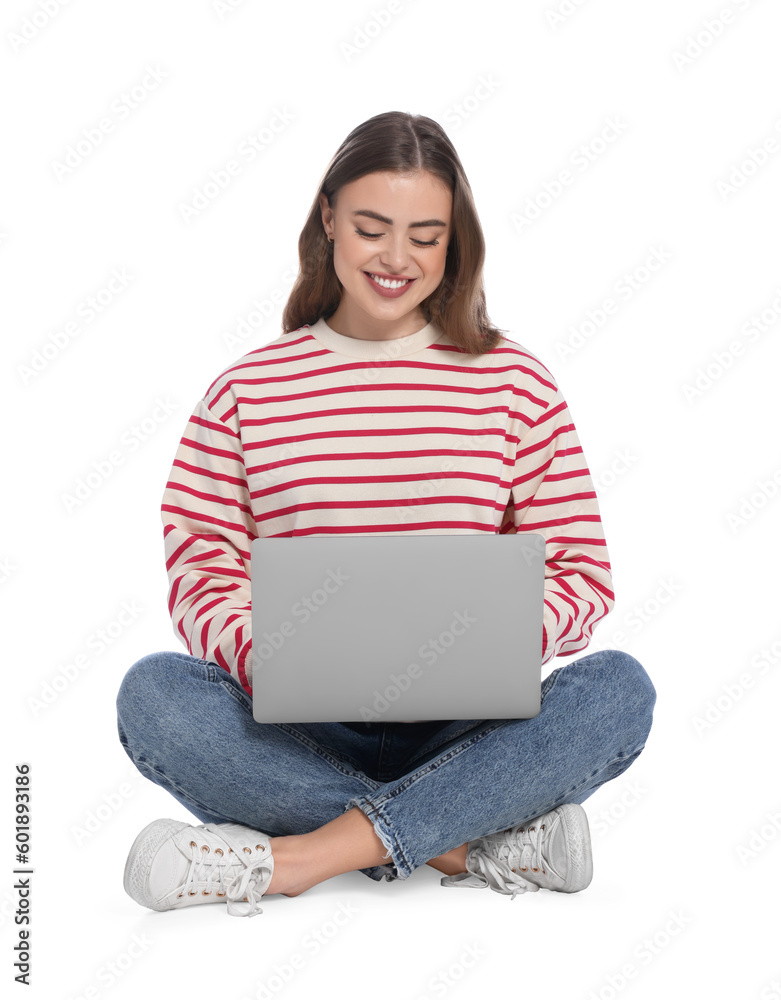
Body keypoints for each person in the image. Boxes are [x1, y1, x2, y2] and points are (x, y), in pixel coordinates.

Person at [116, 111, 656, 918]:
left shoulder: (515, 384)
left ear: (454, 243)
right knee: (154, 697)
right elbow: (202, 567)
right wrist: (261, 654)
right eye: (371, 228)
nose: (397, 259)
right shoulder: (247, 390)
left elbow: (581, 572)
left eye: (425, 236)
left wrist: (497, 641)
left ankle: (295, 860)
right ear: (327, 217)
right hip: (302, 721)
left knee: (618, 691)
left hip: (468, 723)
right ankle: (465, 846)